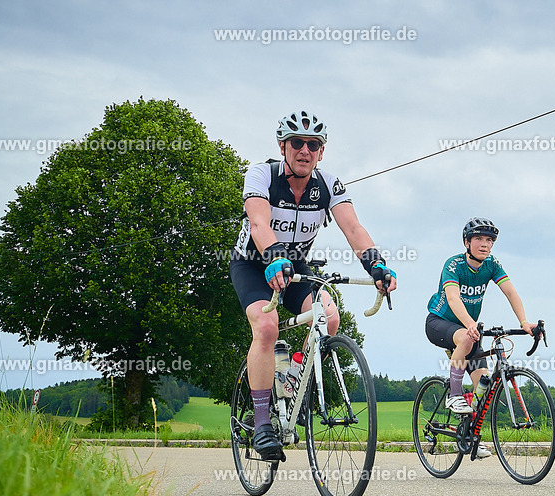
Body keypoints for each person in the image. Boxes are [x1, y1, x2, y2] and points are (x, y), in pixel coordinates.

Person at [230, 110, 397, 459]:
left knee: (329, 317)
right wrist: (273, 254)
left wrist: (376, 264)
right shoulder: (262, 175)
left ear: (321, 152)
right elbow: (259, 223)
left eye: (313, 144)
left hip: (295, 268)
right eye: (297, 143)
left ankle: (292, 376)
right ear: (283, 147)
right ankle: (262, 423)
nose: (304, 150)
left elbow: (353, 229)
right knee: (266, 325)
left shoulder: (328, 184)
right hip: (254, 264)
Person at [425, 218, 536, 458]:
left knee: (484, 386)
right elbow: (453, 299)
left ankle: (470, 435)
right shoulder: (453, 265)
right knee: (466, 338)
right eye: (478, 239)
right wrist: (470, 325)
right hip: (440, 323)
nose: (485, 245)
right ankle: (454, 396)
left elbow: (510, 291)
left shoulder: (491, 264)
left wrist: (524, 322)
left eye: (489, 240)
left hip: (469, 328)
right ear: (467, 242)